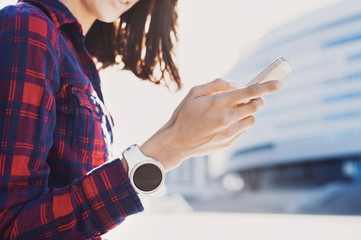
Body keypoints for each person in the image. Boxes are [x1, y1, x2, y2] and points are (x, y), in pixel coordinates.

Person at [0, 0, 282, 239]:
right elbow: (11, 227)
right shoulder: (27, 28)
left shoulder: (79, 60)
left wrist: (178, 143)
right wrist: (168, 148)